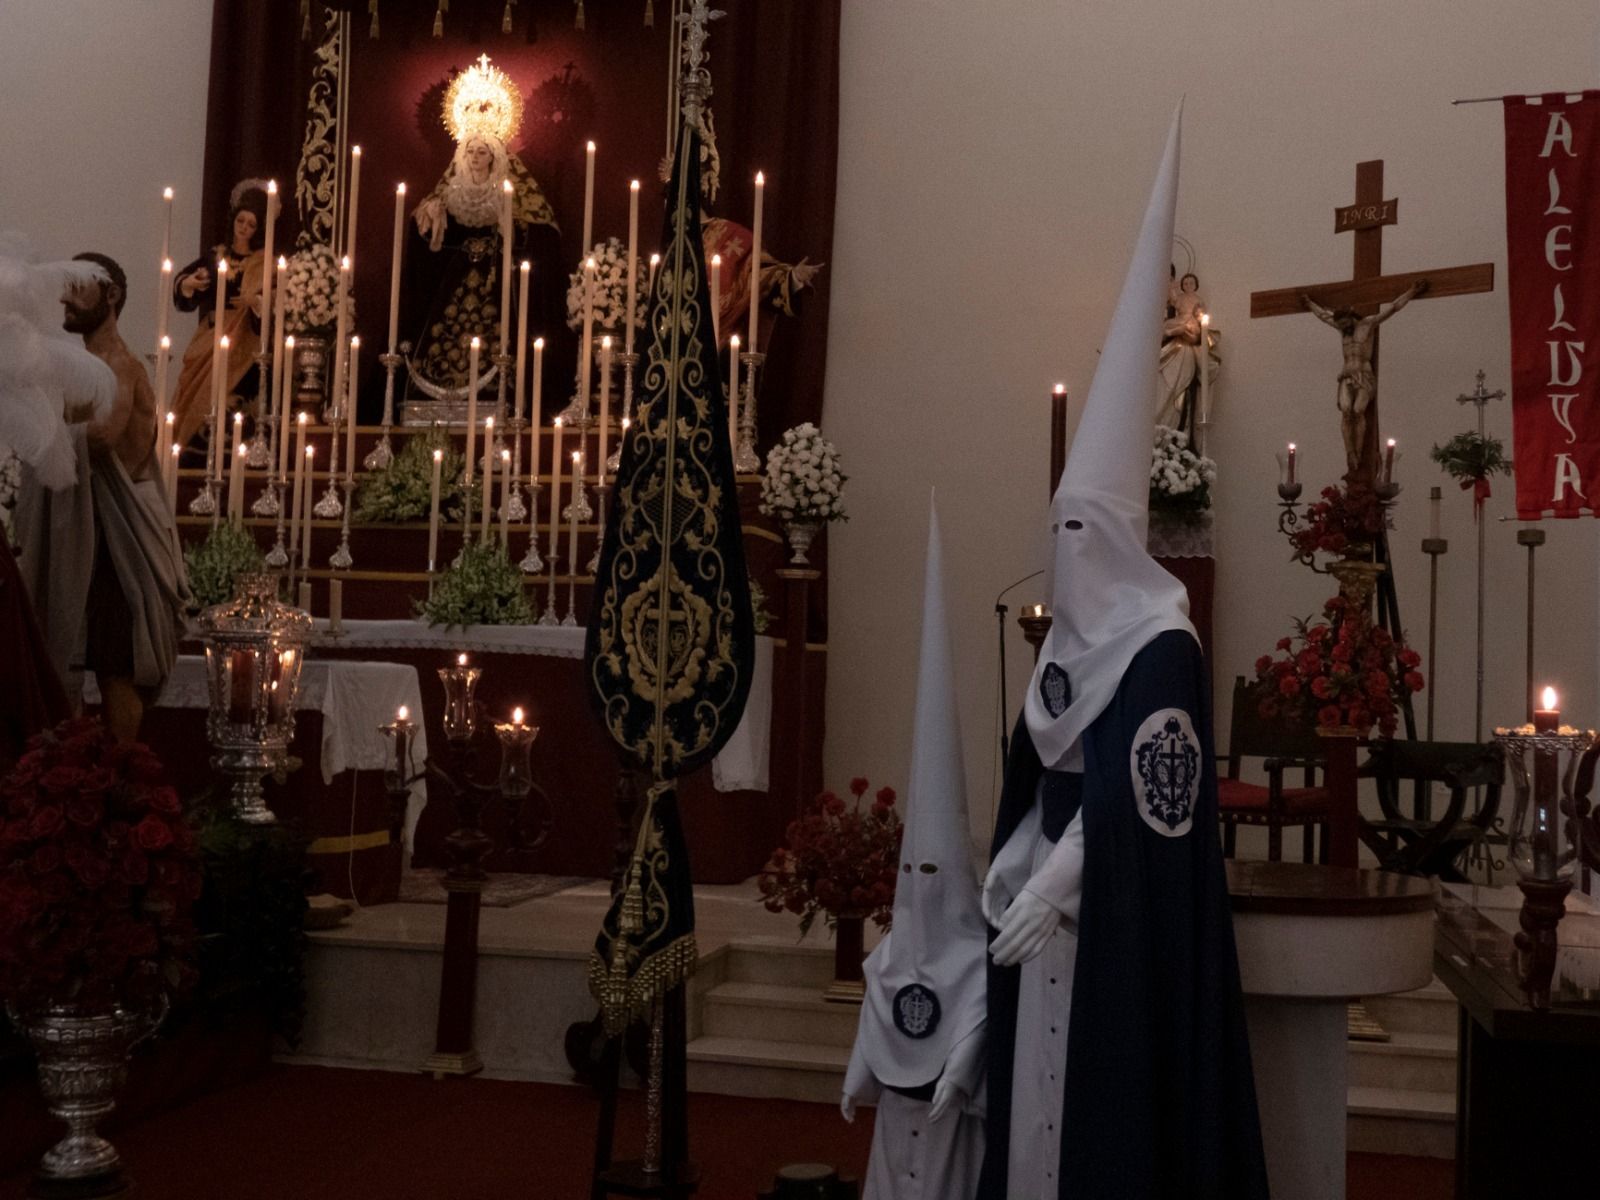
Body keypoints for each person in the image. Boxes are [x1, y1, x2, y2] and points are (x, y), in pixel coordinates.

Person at [978, 107, 1269, 1200]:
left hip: (1110, 923)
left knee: (1096, 1118)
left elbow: (1148, 801)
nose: (1063, 557)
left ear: (1113, 539)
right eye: (1056, 535)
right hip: (1045, 907)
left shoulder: (1159, 650)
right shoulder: (1076, 642)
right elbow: (1035, 758)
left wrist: (1054, 883)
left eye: (1079, 537)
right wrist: (1011, 855)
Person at [841, 496, 987, 1200]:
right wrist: (854, 1079)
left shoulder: (975, 962)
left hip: (949, 1121)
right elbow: (878, 1010)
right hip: (897, 1118)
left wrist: (958, 1075)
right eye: (914, 871)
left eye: (935, 872)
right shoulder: (892, 953)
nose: (923, 881)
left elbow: (974, 1032)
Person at [13, 252, 189, 745]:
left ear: (111, 295)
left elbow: (106, 436)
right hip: (76, 534)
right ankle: (67, 782)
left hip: (119, 540)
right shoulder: (72, 369)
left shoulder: (124, 368)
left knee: (117, 667)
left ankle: (120, 775)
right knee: (61, 657)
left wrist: (40, 431)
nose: (67, 298)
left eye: (80, 287)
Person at [169, 179, 270, 456]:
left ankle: (232, 442)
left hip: (245, 340)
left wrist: (256, 302)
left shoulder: (262, 261)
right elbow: (186, 281)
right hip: (212, 334)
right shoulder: (217, 256)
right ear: (233, 220)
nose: (245, 228)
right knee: (198, 388)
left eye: (251, 224)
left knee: (236, 393)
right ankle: (194, 442)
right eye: (241, 221)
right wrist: (190, 283)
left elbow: (270, 302)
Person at [1302, 281, 1424, 473]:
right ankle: (1350, 452)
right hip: (1346, 376)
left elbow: (1392, 309)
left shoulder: (1367, 324)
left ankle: (1358, 452)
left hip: (1363, 375)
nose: (1342, 328)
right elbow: (1322, 316)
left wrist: (1411, 292)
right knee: (1345, 411)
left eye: (1344, 324)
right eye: (1340, 325)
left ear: (1351, 318)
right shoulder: (1343, 329)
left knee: (1358, 411)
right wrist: (1309, 303)